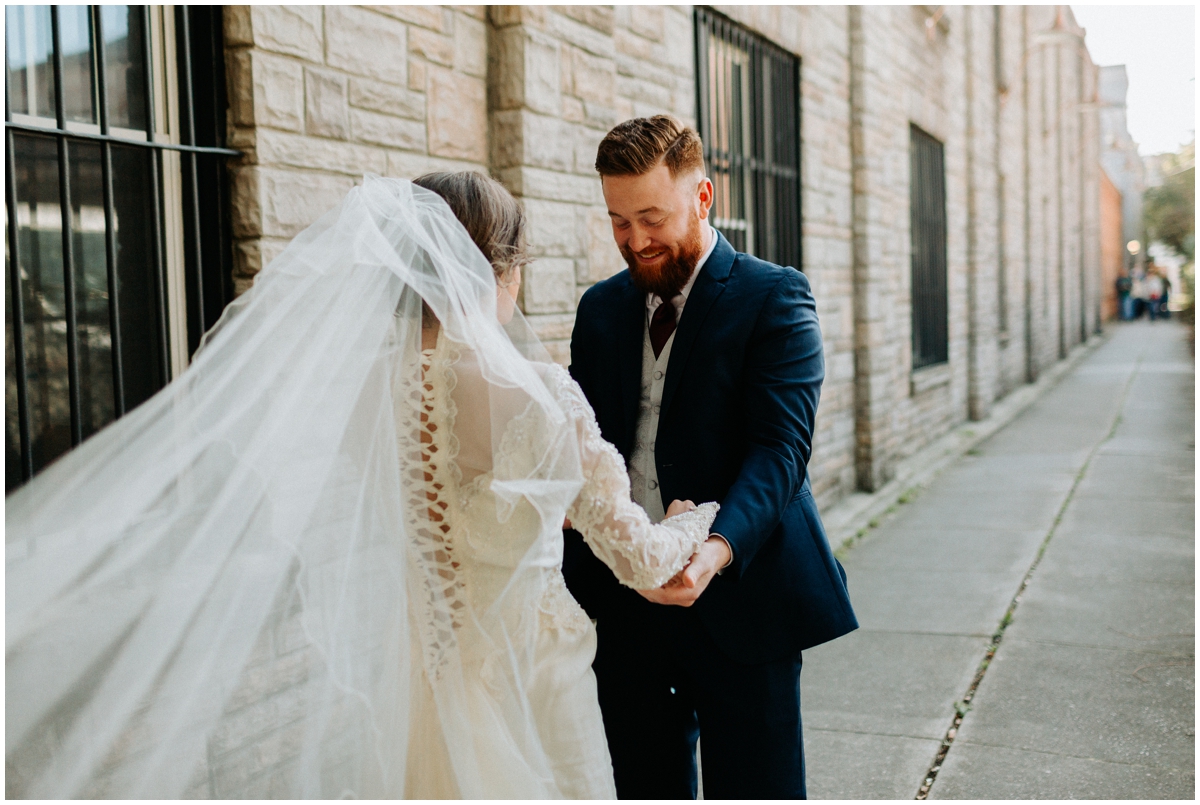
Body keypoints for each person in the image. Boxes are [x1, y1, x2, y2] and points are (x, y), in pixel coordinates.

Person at [5, 173, 719, 798]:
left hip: (422, 693)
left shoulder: (365, 389)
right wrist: (695, 518)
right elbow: (643, 561)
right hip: (533, 689)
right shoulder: (543, 396)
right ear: (499, 272)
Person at [565, 116, 857, 799]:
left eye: (650, 216)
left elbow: (780, 450)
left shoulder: (775, 296)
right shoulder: (599, 309)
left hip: (741, 595)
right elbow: (584, 446)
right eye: (616, 220)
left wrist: (716, 548)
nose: (634, 240)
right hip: (626, 602)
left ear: (704, 197)